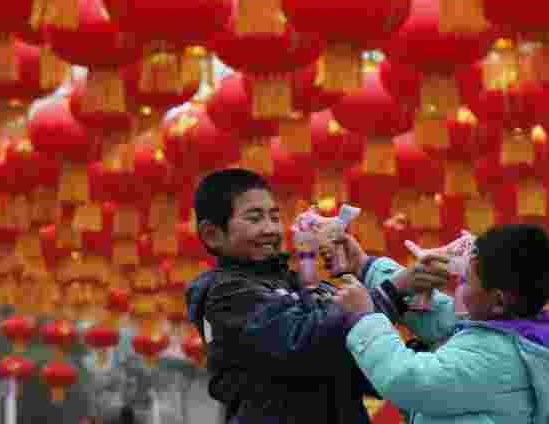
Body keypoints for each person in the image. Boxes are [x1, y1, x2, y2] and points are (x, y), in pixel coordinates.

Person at [184, 168, 449, 424]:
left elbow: (359, 363)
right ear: (212, 234)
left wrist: (433, 352)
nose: (270, 229)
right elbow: (304, 343)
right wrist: (394, 290)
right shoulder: (226, 296)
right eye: (254, 219)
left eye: (274, 217)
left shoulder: (299, 285)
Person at [333, 224, 549, 424]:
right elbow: (441, 316)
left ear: (497, 301)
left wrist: (365, 319)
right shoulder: (517, 330)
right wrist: (367, 267)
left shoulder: (491, 357)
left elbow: (408, 379)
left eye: (467, 280)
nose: (459, 287)